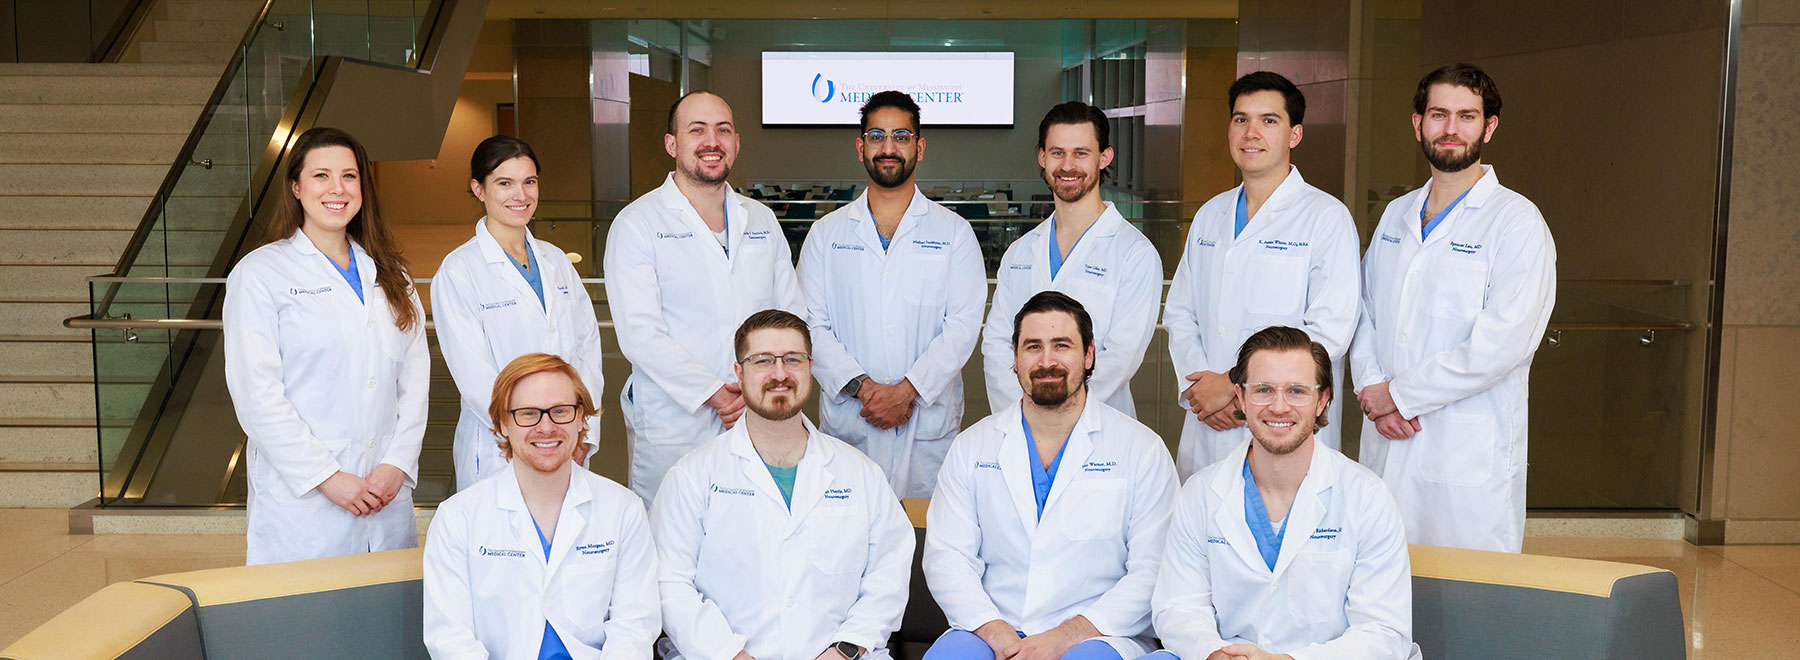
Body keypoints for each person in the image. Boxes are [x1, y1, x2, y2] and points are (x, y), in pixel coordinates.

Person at [1351, 63, 1557, 553]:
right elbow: (1364, 310)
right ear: (1417, 123)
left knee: (1469, 601)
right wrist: (1371, 389)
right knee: (1377, 589)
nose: (1450, 129)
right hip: (1386, 433)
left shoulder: (1517, 223)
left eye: (1467, 116)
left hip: (1464, 456)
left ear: (1489, 127)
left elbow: (1500, 345)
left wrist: (1400, 395)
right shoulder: (1396, 215)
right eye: (1438, 114)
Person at [926, 291, 1178, 660]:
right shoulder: (972, 447)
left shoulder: (1141, 449)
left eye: (1062, 345)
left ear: (1088, 355)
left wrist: (1063, 637)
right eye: (1033, 347)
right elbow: (947, 558)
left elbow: (1152, 569)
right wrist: (998, 634)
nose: (1047, 361)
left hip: (1097, 633)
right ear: (1014, 358)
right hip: (992, 627)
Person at [651, 310, 914, 660]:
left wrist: (845, 648)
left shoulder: (861, 474)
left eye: (793, 359)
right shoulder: (691, 478)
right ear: (738, 373)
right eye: (762, 361)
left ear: (810, 368)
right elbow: (670, 584)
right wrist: (729, 654)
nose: (780, 374)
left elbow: (888, 575)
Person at [223, 127, 428, 565]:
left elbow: (415, 382)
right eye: (321, 176)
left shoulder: (394, 277)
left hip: (385, 493)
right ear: (296, 187)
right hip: (306, 506)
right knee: (304, 622)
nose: (337, 189)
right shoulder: (261, 274)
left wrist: (396, 465)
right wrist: (329, 478)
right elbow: (257, 396)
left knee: (385, 621)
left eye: (350, 176)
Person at [1148, 326, 1414, 660]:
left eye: (1297, 392)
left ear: (1323, 399)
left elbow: (1383, 633)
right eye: (1263, 390)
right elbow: (1179, 607)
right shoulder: (1201, 494)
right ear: (1240, 397)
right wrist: (1214, 653)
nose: (1278, 406)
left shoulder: (1368, 498)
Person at [605, 91, 804, 501]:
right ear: (672, 144)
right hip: (676, 422)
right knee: (671, 540)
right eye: (697, 130)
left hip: (757, 412)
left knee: (752, 538)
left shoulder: (761, 220)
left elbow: (789, 318)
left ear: (736, 143)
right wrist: (715, 393)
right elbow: (640, 334)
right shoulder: (637, 224)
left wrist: (760, 386)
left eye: (723, 130)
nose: (712, 141)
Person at [1163, 72, 1360, 480]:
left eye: (1269, 120)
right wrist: (1200, 393)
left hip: (1282, 418)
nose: (1251, 132)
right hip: (1209, 421)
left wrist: (1239, 391)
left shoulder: (1326, 218)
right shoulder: (1210, 215)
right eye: (1240, 119)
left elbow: (1329, 331)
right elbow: (1181, 312)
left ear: (1295, 134)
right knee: (1207, 530)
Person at [798, 91, 986, 498]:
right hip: (852, 417)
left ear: (919, 146)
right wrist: (865, 389)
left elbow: (963, 325)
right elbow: (812, 324)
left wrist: (907, 391)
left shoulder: (953, 234)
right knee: (848, 539)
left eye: (901, 136)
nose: (888, 148)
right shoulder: (826, 234)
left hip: (926, 427)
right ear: (860, 146)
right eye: (877, 136)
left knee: (926, 542)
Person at [423, 353, 659, 659]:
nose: (546, 427)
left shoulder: (623, 509)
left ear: (580, 419)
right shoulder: (458, 518)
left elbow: (634, 628)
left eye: (560, 411)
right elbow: (450, 639)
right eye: (528, 413)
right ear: (503, 423)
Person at [433, 135, 604, 491]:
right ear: (478, 189)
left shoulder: (555, 259)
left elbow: (587, 349)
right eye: (505, 183)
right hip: (501, 448)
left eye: (529, 182)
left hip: (567, 441)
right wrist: (535, 432)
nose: (521, 196)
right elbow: (475, 377)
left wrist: (580, 432)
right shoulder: (459, 270)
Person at [980, 102, 1162, 418]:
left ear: (1104, 157)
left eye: (1081, 153)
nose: (1067, 165)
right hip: (1021, 422)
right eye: (1057, 153)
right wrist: (1025, 414)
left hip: (1099, 423)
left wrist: (1060, 413)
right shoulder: (1021, 252)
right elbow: (996, 345)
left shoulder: (1135, 253)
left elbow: (1120, 357)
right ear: (1042, 157)